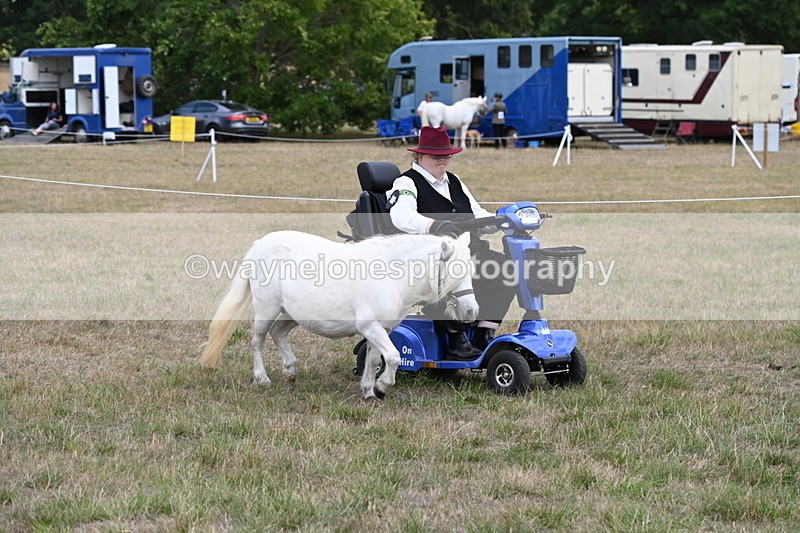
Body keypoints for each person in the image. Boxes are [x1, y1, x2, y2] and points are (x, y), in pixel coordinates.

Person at [386, 126, 517, 360]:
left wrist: (503, 221)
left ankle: (483, 333)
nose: (442, 160)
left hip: (470, 252)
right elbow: (401, 216)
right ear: (419, 155)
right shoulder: (406, 183)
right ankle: (456, 338)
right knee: (447, 275)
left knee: (509, 269)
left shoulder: (454, 181)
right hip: (433, 257)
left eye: (446, 155)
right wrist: (432, 226)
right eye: (436, 155)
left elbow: (476, 215)